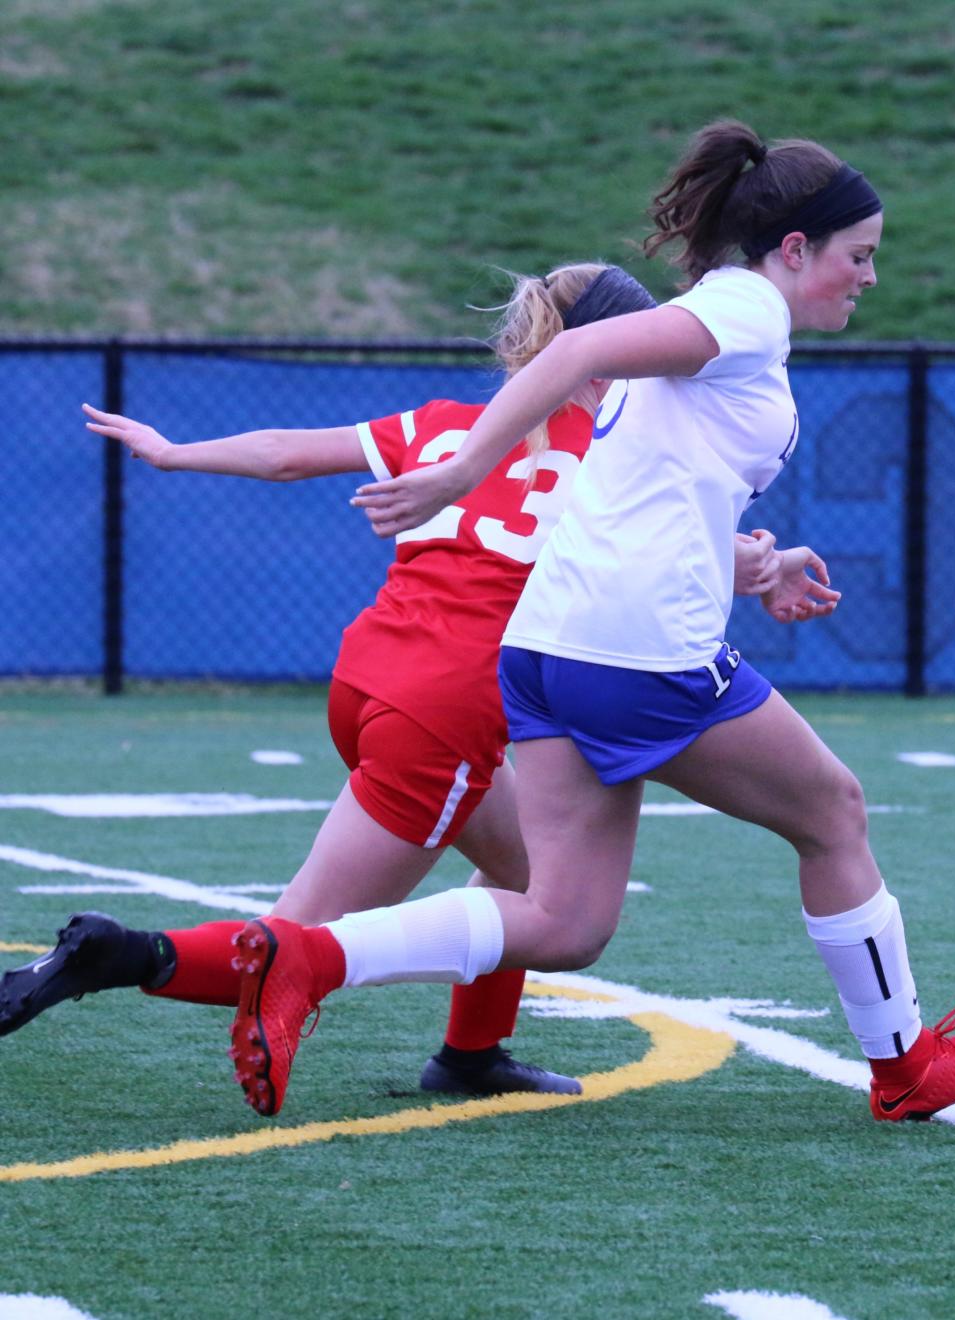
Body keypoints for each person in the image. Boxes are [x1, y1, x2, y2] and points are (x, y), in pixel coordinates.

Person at [225, 119, 955, 1122]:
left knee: (564, 922)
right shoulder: (748, 310)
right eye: (858, 255)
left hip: (547, 644)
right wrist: (460, 467)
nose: (868, 277)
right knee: (831, 813)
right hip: (635, 652)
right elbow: (581, 346)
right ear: (793, 250)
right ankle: (904, 1066)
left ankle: (311, 954)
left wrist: (757, 567)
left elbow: (650, 486)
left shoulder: (721, 315)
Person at [0, 260, 827, 1098]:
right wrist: (759, 560)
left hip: (367, 676)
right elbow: (679, 556)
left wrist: (175, 453)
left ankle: (471, 1056)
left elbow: (288, 454)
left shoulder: (450, 427)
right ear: (613, 358)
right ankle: (115, 953)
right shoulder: (615, 460)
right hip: (449, 708)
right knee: (295, 940)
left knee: (527, 879)